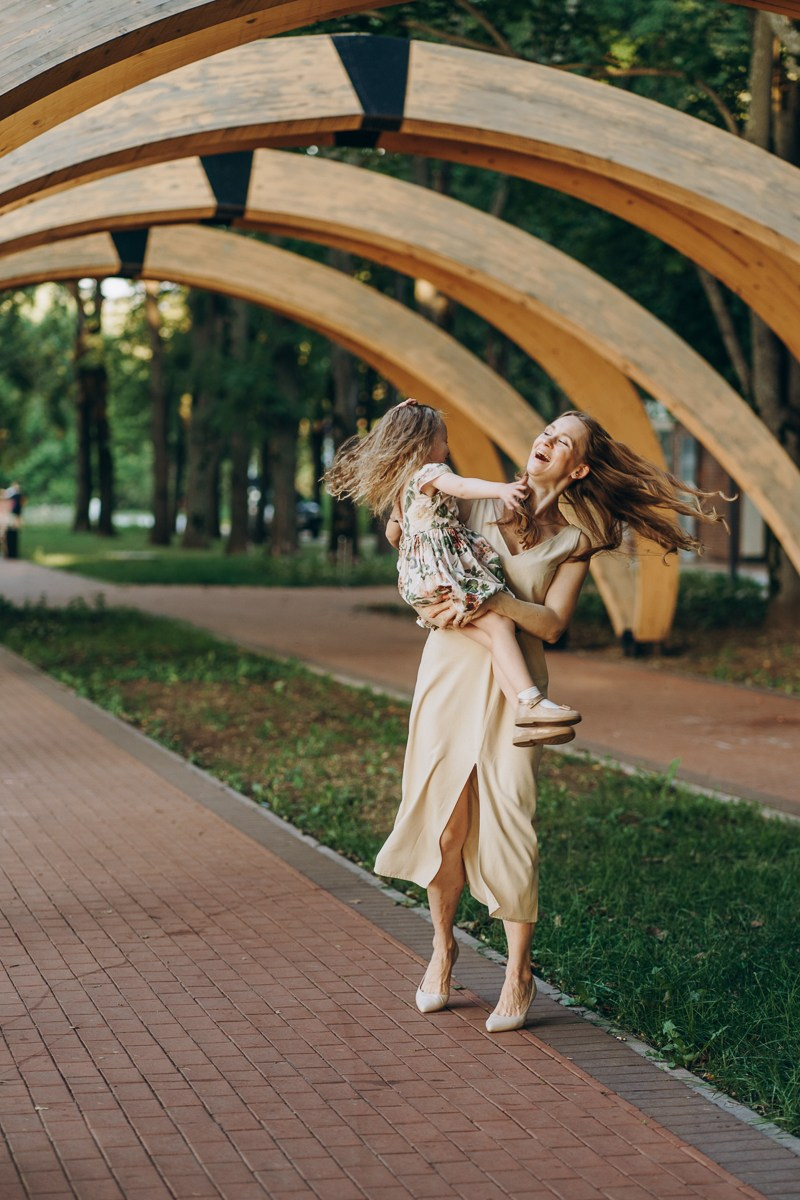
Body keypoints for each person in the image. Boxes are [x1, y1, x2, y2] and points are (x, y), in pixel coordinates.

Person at [372, 409, 727, 1033]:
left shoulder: (573, 541)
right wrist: (414, 556)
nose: (545, 441)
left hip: (520, 687)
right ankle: (443, 949)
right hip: (450, 669)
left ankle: (518, 973)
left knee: (512, 817)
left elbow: (554, 625)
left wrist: (490, 599)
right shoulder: (477, 500)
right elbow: (409, 527)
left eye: (562, 441)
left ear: (578, 468)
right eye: (546, 432)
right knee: (445, 826)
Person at [324, 400, 581, 746]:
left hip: (423, 585)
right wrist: (500, 489)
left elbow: (393, 536)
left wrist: (419, 564)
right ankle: (532, 702)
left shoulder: (403, 486)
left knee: (496, 636)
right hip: (444, 588)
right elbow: (461, 487)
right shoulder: (431, 473)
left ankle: (526, 710)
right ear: (423, 444)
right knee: (500, 628)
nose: (447, 448)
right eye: (443, 440)